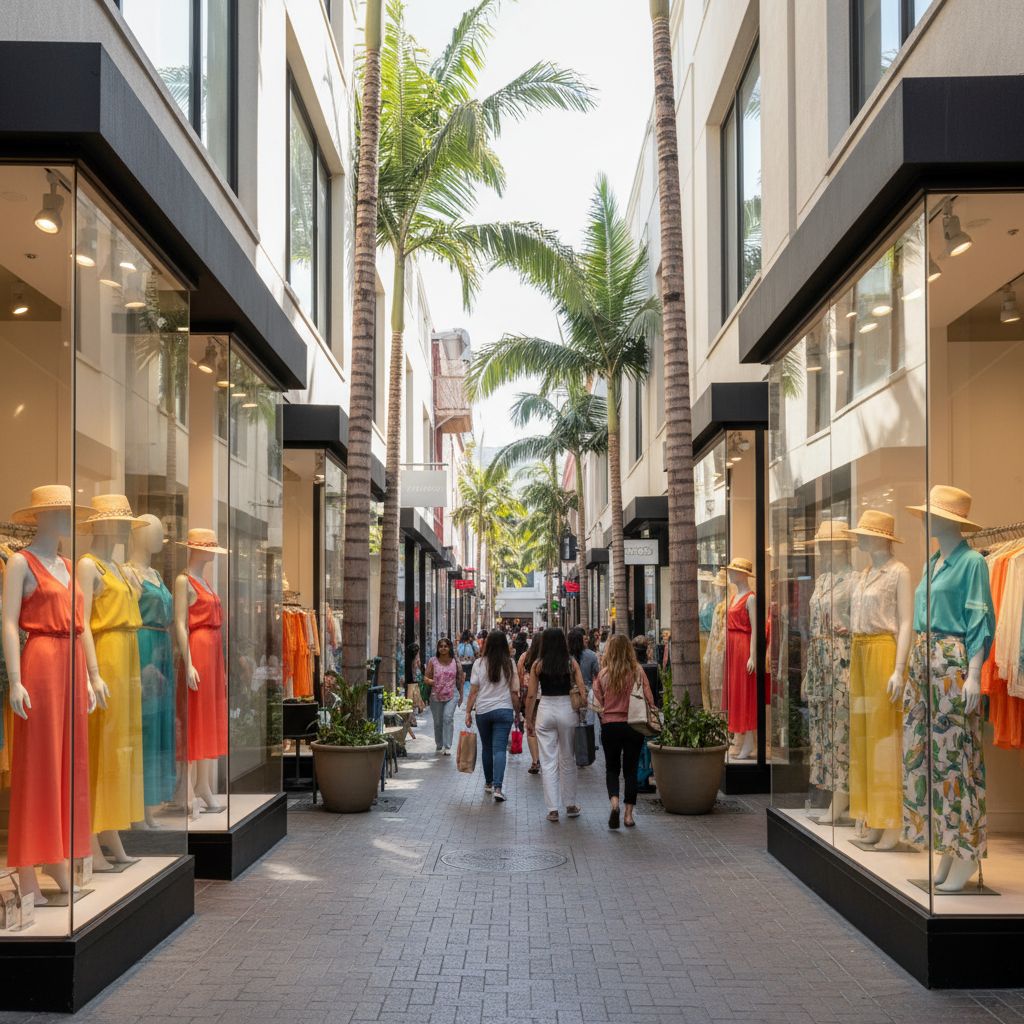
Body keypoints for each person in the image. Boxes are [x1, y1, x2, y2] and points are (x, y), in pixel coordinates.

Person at [593, 634, 657, 829]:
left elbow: (597, 703)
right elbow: (649, 699)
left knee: (612, 768)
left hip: (610, 726)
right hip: (633, 725)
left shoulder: (604, 674)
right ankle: (628, 815)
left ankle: (614, 804)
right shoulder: (637, 671)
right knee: (630, 770)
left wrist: (604, 719)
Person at [525, 627, 587, 822]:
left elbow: (532, 694)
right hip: (567, 709)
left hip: (545, 709)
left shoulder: (538, 664)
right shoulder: (571, 663)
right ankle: (570, 804)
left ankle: (552, 809)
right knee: (568, 758)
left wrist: (528, 718)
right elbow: (583, 691)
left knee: (548, 761)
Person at [465, 629, 519, 801]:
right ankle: (498, 787)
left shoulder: (479, 664)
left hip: (483, 711)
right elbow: (514, 692)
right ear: (505, 645)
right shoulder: (510, 664)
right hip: (504, 711)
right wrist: (518, 713)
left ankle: (488, 783)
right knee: (500, 749)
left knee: (487, 748)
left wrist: (467, 711)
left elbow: (473, 691)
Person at [424, 637, 464, 754]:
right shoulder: (433, 661)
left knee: (447, 718)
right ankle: (439, 744)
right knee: (437, 722)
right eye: (440, 646)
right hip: (436, 695)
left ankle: (447, 746)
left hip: (452, 694)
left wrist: (461, 696)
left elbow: (460, 679)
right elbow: (426, 678)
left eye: (445, 646)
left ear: (449, 647)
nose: (443, 648)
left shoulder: (455, 662)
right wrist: (432, 682)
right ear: (438, 648)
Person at [518, 632, 543, 774]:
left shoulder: (524, 657)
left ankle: (535, 761)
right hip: (547, 698)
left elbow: (520, 677)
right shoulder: (549, 658)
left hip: (530, 697)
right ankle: (544, 758)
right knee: (544, 729)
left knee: (531, 727)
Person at [456, 629, 477, 700]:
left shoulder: (460, 644)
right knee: (469, 679)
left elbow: (458, 653)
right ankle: (469, 695)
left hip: (462, 664)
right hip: (470, 664)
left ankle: (463, 696)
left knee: (463, 680)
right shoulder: (472, 643)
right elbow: (477, 650)